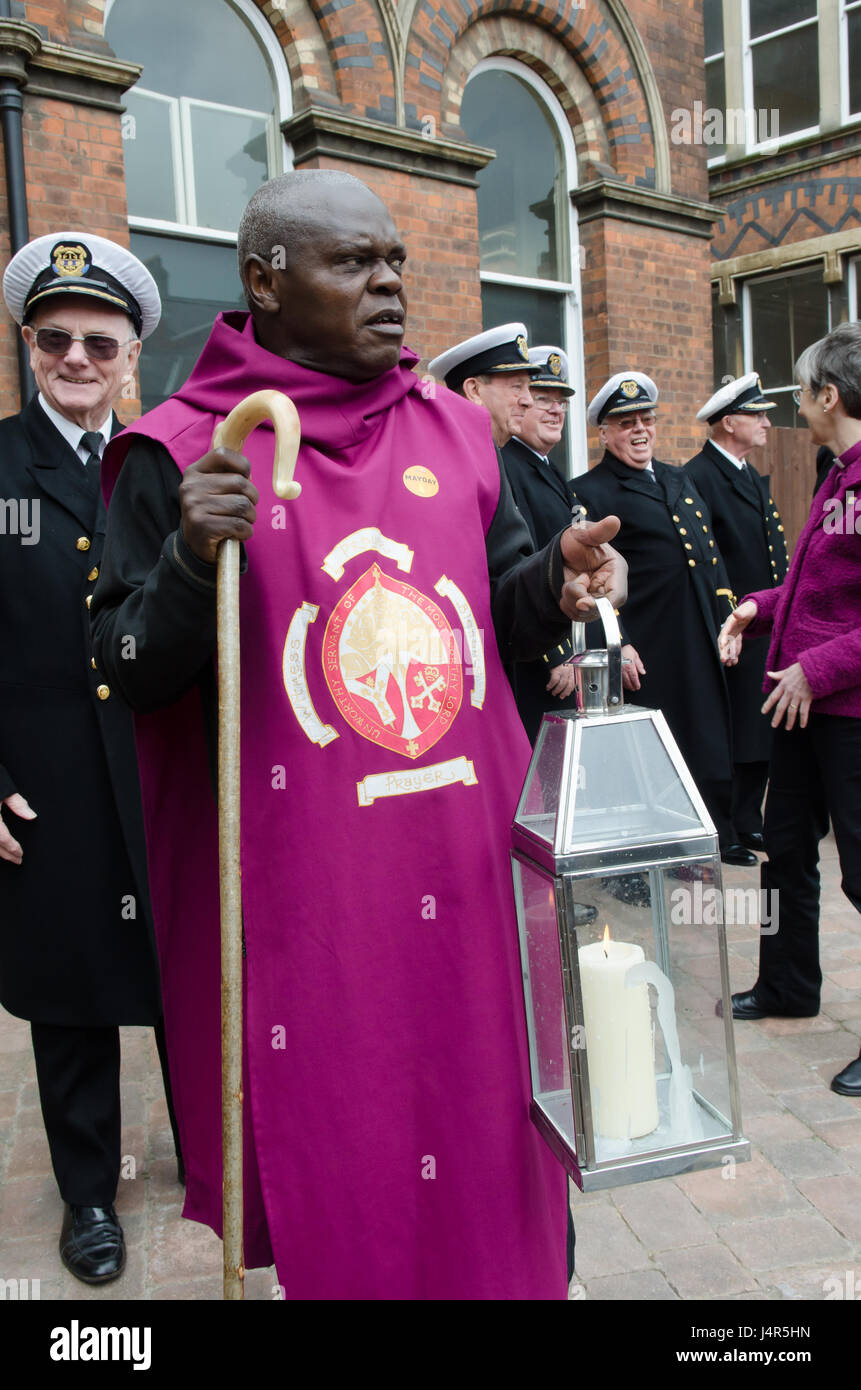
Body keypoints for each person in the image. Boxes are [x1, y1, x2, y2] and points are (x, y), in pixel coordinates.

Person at [91, 170, 628, 1299]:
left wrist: (558, 587)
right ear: (263, 280)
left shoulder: (455, 428)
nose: (388, 285)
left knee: (497, 1134)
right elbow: (130, 672)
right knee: (354, 1152)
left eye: (396, 261)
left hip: (475, 877)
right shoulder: (183, 450)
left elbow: (490, 609)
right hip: (313, 908)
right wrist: (193, 562)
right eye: (353, 264)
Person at [0, 232, 175, 1284]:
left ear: (129, 357)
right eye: (56, 338)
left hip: (158, 778)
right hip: (47, 787)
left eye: (97, 344)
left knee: (188, 976)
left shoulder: (160, 463)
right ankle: (89, 1196)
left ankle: (212, 1158)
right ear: (28, 343)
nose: (76, 359)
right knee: (68, 995)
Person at [718, 322, 861, 1098]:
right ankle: (786, 984)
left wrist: (814, 667)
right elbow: (815, 595)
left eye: (799, 390)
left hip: (847, 712)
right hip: (802, 705)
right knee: (783, 851)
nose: (789, 404)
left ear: (827, 395)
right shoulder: (835, 475)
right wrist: (754, 608)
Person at [572, 371, 756, 867]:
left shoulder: (679, 478)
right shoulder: (591, 491)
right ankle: (674, 847)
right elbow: (589, 579)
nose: (639, 431)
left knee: (713, 735)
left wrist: (730, 621)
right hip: (652, 644)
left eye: (646, 420)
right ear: (605, 433)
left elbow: (710, 557)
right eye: (626, 422)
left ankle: (718, 835)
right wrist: (619, 641)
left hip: (701, 631)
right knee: (667, 747)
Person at [429, 331, 578, 737]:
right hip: (455, 677)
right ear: (474, 390)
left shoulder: (488, 457)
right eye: (518, 387)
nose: (529, 400)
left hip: (500, 664)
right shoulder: (447, 461)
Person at [685, 374, 789, 852]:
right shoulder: (700, 477)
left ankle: (749, 818)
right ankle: (727, 825)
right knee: (737, 729)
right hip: (735, 622)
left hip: (763, 619)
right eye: (757, 415)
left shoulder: (745, 471)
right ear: (730, 422)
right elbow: (709, 560)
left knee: (758, 727)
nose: (767, 423)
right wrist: (730, 618)